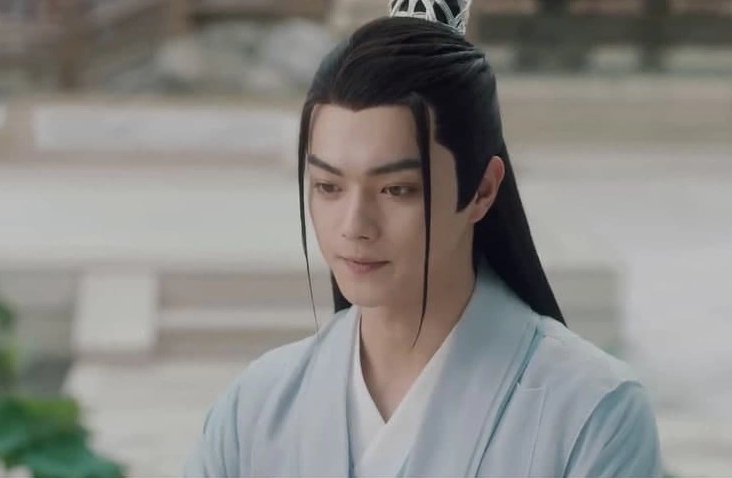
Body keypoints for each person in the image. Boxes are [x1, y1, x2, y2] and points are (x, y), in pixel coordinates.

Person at [183, 0, 663, 476]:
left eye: (397, 189)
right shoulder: (254, 410)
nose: (354, 225)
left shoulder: (591, 412)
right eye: (328, 187)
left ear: (482, 190)